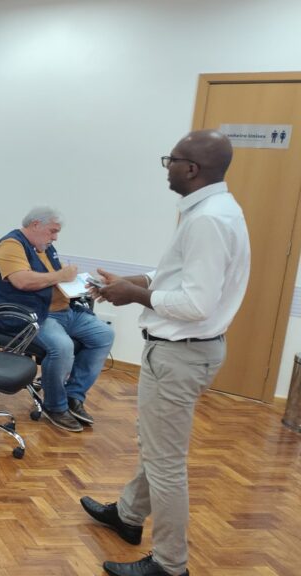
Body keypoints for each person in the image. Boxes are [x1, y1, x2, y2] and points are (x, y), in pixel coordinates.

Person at [81, 130, 250, 576]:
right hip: (185, 352)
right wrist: (133, 282)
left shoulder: (208, 220)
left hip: (180, 355)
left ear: (191, 168)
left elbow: (196, 303)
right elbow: (178, 275)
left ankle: (170, 564)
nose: (166, 167)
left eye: (170, 160)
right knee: (157, 446)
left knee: (166, 464)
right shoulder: (215, 210)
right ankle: (128, 515)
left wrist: (134, 295)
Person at [0, 206, 115, 432]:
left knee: (104, 335)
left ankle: (74, 396)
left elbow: (52, 277)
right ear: (35, 224)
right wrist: (61, 275)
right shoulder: (11, 245)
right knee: (62, 347)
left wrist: (77, 281)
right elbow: (22, 281)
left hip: (64, 311)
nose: (55, 237)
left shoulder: (44, 248)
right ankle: (55, 406)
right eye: (52, 231)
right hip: (32, 315)